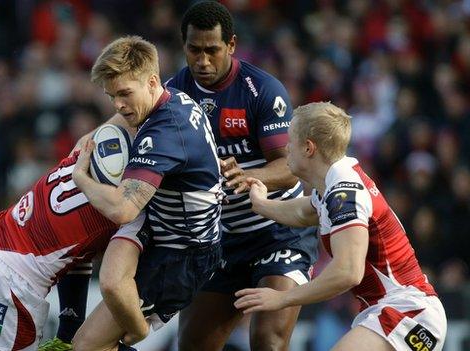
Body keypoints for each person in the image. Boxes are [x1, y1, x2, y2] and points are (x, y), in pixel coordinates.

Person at [234, 102, 447, 351]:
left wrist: (282, 298)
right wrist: (260, 204)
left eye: (290, 140)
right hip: (391, 311)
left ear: (308, 147)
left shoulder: (344, 192)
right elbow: (304, 212)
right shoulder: (334, 184)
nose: (286, 148)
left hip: (407, 311)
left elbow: (348, 271)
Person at [167, 2, 318, 350]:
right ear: (183, 45)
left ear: (231, 45)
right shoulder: (172, 94)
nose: (203, 61)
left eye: (212, 50)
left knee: (267, 340)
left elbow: (290, 165)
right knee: (191, 345)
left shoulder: (262, 90)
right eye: (194, 50)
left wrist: (250, 176)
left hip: (278, 233)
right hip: (220, 240)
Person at [70, 35, 223, 351]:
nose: (118, 105)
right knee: (107, 285)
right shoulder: (170, 96)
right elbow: (122, 114)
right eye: (111, 95)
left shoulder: (165, 133)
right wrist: (93, 134)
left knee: (88, 344)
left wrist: (81, 178)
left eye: (125, 94)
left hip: (181, 254)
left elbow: (123, 210)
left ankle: (136, 333)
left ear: (152, 82)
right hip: (158, 225)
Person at [0, 151, 146, 351]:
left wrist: (68, 331)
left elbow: (76, 254)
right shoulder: (120, 216)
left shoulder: (82, 153)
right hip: (7, 282)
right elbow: (113, 280)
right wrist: (138, 329)